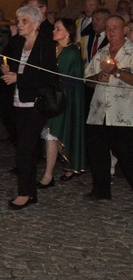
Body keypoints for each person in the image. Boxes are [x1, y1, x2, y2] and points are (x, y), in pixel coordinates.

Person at [0, 5, 56, 209]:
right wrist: (9, 69)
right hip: (18, 101)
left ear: (36, 24)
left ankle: (24, 193)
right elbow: (15, 67)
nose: (19, 24)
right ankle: (30, 192)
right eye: (18, 20)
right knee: (25, 147)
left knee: (24, 147)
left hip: (36, 103)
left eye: (24, 21)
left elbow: (46, 76)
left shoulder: (45, 45)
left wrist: (18, 77)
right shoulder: (17, 43)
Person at [83, 15, 133, 200]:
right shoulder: (102, 52)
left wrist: (117, 72)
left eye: (116, 27)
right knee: (97, 152)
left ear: (125, 30)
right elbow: (86, 79)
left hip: (123, 114)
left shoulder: (131, 52)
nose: (111, 31)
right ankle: (101, 189)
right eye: (109, 28)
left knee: (126, 155)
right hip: (99, 111)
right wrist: (97, 78)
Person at [39, 18, 85, 185]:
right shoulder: (54, 49)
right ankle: (53, 171)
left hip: (64, 100)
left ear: (67, 33)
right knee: (50, 135)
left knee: (54, 135)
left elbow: (67, 78)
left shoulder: (72, 52)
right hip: (51, 98)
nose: (54, 31)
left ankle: (52, 173)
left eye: (58, 29)